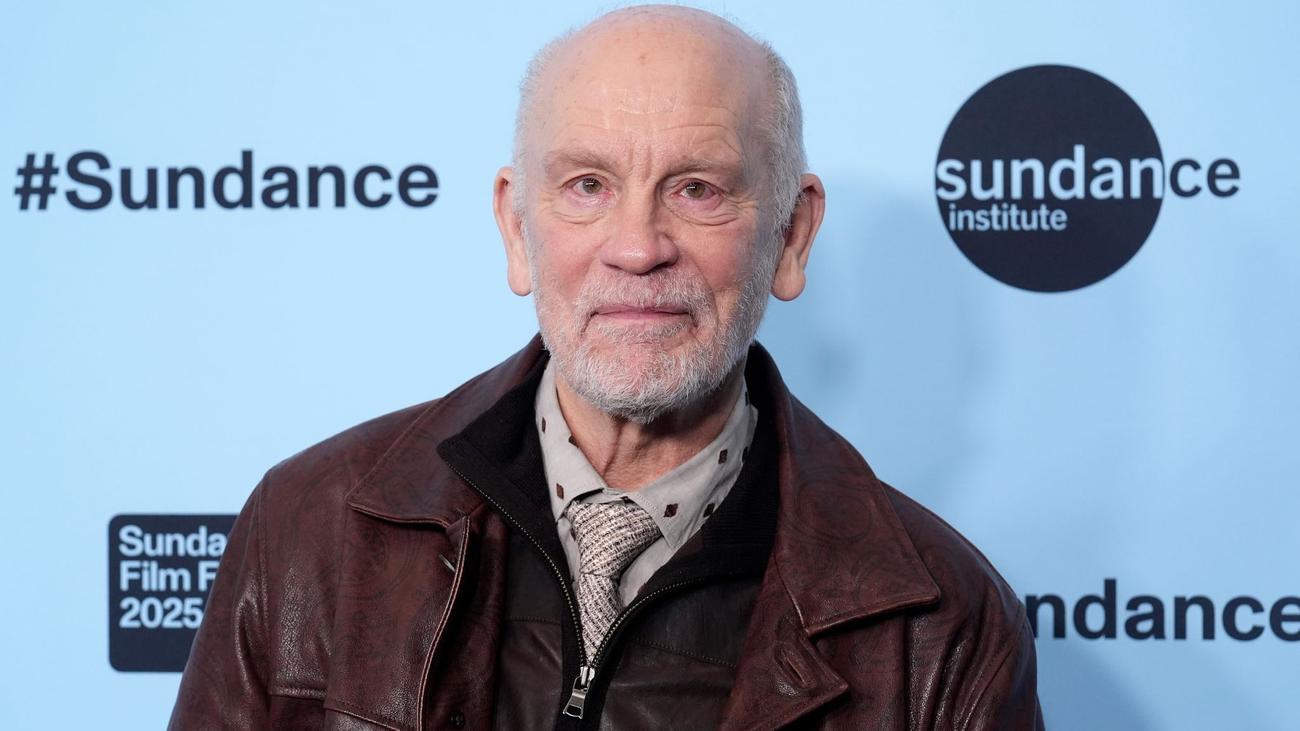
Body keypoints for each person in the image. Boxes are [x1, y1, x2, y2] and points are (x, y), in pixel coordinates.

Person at [170, 6, 1043, 729]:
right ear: (517, 228)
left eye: (696, 188)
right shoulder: (309, 532)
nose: (637, 247)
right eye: (588, 185)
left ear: (791, 235)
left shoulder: (945, 628)